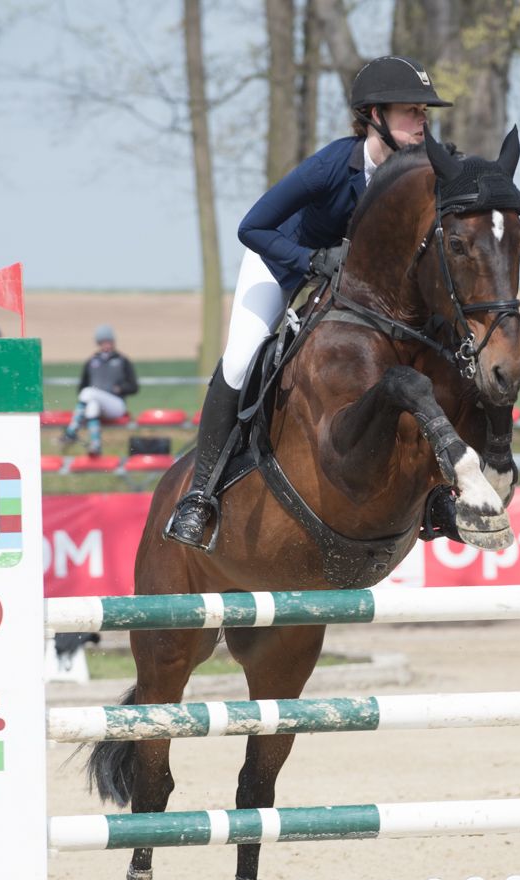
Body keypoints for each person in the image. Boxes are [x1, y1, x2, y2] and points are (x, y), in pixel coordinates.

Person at [165, 55, 452, 548]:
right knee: (241, 360)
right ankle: (200, 495)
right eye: (411, 111)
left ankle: (438, 492)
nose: (421, 121)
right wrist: (311, 259)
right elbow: (252, 227)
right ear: (375, 116)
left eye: (424, 112)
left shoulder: (422, 168)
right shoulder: (332, 165)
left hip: (354, 285)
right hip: (281, 262)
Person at [61, 325, 138, 456]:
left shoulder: (122, 360)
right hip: (97, 405)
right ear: (99, 343)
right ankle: (95, 446)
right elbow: (81, 387)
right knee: (92, 405)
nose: (106, 344)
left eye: (109, 341)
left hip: (116, 405)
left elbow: (134, 387)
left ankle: (71, 432)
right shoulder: (91, 361)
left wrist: (120, 388)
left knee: (88, 392)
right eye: (103, 342)